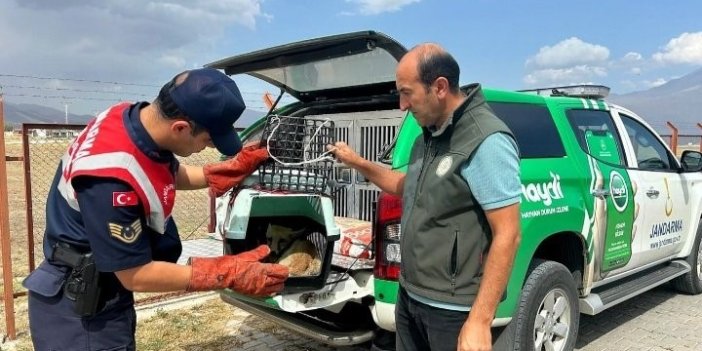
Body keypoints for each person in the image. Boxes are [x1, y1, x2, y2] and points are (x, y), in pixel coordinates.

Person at [22, 68, 289, 350]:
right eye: (207, 141)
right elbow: (135, 274)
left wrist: (226, 171)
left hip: (99, 292)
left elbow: (161, 172)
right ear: (181, 128)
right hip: (81, 313)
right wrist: (228, 273)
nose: (207, 148)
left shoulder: (128, 118)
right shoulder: (111, 181)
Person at [328, 44, 521, 351]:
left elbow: (508, 233)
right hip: (411, 294)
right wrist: (357, 162)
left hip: (453, 309)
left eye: (407, 92)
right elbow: (406, 185)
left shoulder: (485, 140)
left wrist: (480, 320)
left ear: (440, 87)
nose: (402, 104)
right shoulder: (426, 138)